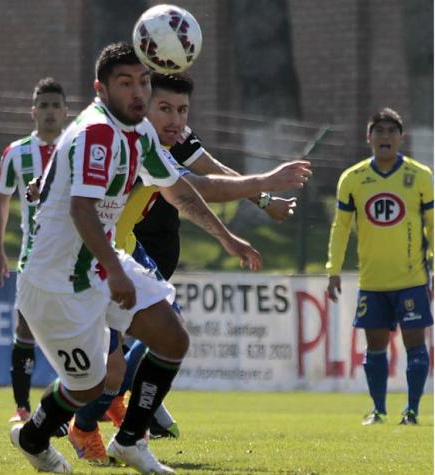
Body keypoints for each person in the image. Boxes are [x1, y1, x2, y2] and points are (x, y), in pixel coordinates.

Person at [9, 42, 261, 474]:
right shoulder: (96, 133)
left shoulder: (139, 131)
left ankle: (130, 441)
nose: (137, 92)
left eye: (143, 81)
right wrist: (113, 271)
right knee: (88, 386)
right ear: (100, 90)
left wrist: (226, 236)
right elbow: (81, 209)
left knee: (172, 338)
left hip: (101, 262)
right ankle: (32, 435)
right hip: (55, 280)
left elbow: (177, 190)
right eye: (125, 83)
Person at [65, 71, 312, 462]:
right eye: (165, 108)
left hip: (133, 249)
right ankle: (73, 420)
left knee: (169, 336)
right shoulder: (118, 136)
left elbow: (205, 177)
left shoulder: (166, 138)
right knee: (112, 366)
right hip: (99, 256)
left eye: (182, 110)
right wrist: (264, 187)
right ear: (141, 103)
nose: (176, 119)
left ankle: (118, 424)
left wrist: (245, 217)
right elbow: (203, 187)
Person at [326, 107, 432, 426]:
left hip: (412, 277)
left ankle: (412, 410)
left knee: (415, 344)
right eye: (379, 131)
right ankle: (379, 410)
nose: (385, 137)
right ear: (368, 137)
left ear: (402, 137)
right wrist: (333, 269)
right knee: (375, 347)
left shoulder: (420, 176)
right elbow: (341, 227)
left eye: (391, 131)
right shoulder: (353, 178)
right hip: (372, 281)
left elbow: (432, 225)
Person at [0, 78, 68, 422]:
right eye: (44, 106)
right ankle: (22, 407)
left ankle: (79, 406)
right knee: (25, 327)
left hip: (74, 253)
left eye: (56, 106)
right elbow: (1, 201)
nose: (50, 112)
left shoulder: (76, 147)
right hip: (33, 255)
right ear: (33, 111)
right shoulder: (17, 152)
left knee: (77, 327)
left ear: (66, 111)